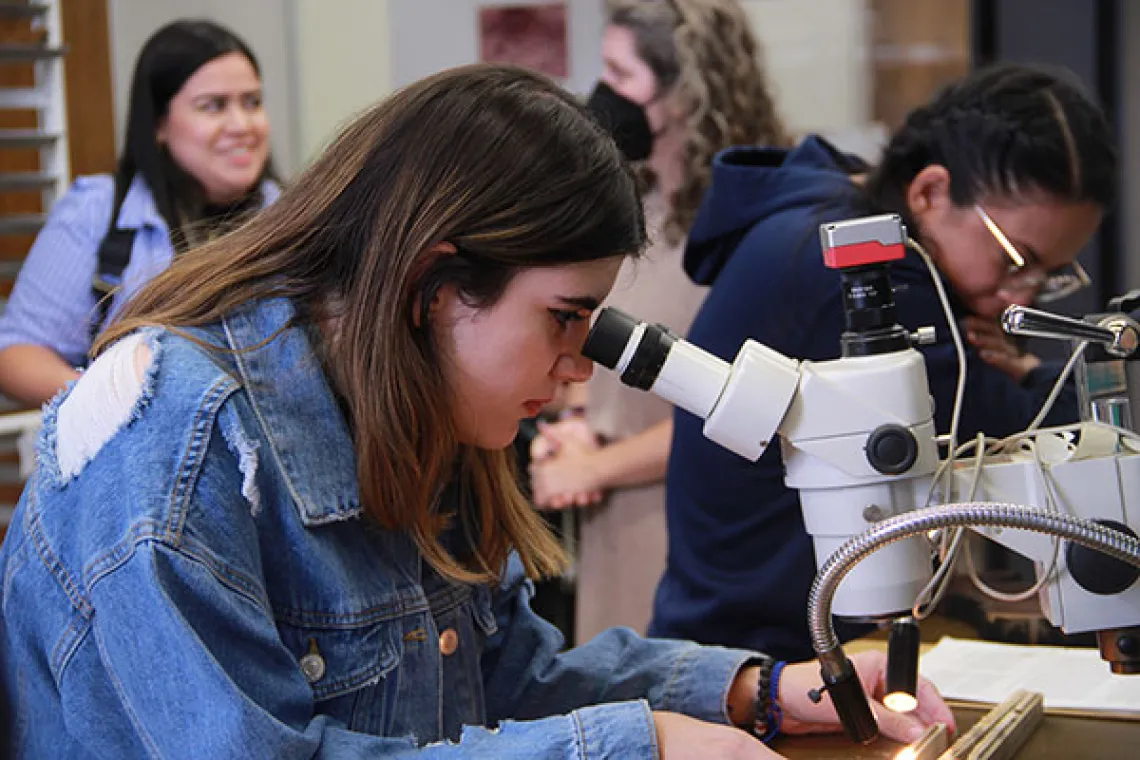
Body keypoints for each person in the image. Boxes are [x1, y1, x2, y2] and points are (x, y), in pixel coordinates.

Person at [0, 64, 953, 758]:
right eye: (563, 320)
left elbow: (499, 675)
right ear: (434, 282)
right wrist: (636, 748)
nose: (579, 368)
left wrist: (760, 693)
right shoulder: (174, 442)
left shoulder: (416, 401)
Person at [654, 62, 1117, 662]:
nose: (1022, 296)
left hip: (755, 623)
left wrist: (1027, 378)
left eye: (1049, 275)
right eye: (1013, 260)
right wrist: (1035, 381)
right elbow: (1018, 429)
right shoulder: (860, 276)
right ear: (929, 191)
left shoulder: (827, 214)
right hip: (760, 653)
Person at [528, 0, 788, 644]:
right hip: (612, 517)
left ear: (686, 92)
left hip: (692, 520)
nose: (602, 94)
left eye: (622, 75)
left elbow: (751, 406)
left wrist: (594, 470)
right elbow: (599, 331)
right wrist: (575, 427)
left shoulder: (751, 226)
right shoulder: (633, 201)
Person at [0, 19, 278, 407]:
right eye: (214, 106)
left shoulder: (291, 215)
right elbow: (16, 355)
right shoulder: (99, 210)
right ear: (159, 125)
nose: (242, 125)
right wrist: (116, 398)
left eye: (252, 102)